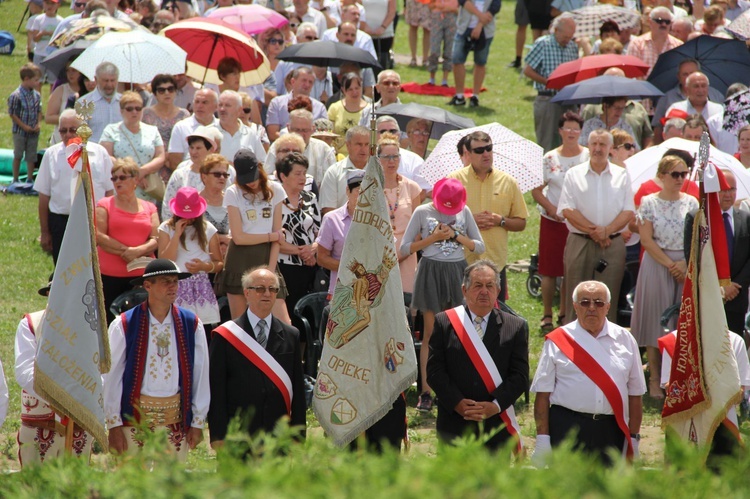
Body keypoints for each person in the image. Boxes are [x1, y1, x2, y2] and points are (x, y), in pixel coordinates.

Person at [104, 258, 210, 460]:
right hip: (134, 422)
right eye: (165, 281)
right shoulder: (124, 324)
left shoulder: (191, 323)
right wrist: (114, 424)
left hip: (175, 421)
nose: (172, 286)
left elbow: (200, 373)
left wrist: (197, 421)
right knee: (134, 486)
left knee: (171, 488)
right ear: (147, 286)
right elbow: (112, 376)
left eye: (175, 281)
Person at [531, 281, 646, 466]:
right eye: (585, 302)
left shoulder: (626, 340)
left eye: (599, 303)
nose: (592, 308)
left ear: (608, 307)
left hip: (611, 430)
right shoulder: (558, 340)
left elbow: (635, 394)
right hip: (568, 427)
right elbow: (542, 394)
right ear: (575, 306)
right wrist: (542, 439)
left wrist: (633, 439)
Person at [400, 178, 485, 412]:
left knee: (459, 333)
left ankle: (454, 390)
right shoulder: (421, 211)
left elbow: (479, 246)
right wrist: (433, 238)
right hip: (430, 270)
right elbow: (405, 248)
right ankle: (426, 392)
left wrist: (455, 235)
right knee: (430, 333)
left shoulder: (464, 212)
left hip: (457, 272)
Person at [427, 259, 528, 451]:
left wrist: (495, 406)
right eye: (478, 285)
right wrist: (457, 403)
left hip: (495, 426)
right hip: (454, 423)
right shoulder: (445, 322)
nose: (484, 291)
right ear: (464, 290)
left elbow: (519, 376)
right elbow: (434, 371)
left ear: (498, 291)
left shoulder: (515, 327)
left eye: (490, 286)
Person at [208, 267, 306, 450]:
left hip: (278, 434)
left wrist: (298, 435)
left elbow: (298, 390)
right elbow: (216, 388)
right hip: (238, 432)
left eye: (272, 289)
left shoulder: (291, 335)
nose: (267, 294)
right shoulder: (226, 336)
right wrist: (217, 434)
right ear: (247, 293)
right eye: (260, 288)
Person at [630, 155, 696, 399]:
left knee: (682, 321)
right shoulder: (649, 202)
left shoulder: (691, 203)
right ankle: (656, 379)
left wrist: (684, 263)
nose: (680, 179)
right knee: (655, 320)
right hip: (658, 264)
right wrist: (671, 265)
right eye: (675, 174)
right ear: (662, 176)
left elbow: (697, 238)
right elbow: (646, 239)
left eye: (684, 174)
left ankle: (679, 376)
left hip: (685, 262)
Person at [557, 129, 634, 324]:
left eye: (602, 145)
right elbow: (567, 210)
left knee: (608, 298)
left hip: (612, 244)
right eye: (594, 144)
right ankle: (573, 345)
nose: (598, 149)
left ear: (610, 148)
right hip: (580, 242)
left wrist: (606, 231)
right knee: (576, 296)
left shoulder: (622, 175)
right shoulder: (574, 174)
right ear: (588, 146)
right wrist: (596, 232)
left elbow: (628, 211)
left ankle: (606, 349)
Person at [15, 277, 91, 466]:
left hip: (79, 423)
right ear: (49, 293)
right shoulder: (31, 323)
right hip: (40, 422)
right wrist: (59, 397)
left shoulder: (90, 327)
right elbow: (24, 372)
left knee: (77, 490)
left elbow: (100, 371)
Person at [448, 130, 528, 302]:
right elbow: (442, 222)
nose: (485, 153)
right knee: (461, 317)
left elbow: (521, 223)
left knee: (495, 320)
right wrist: (469, 222)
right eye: (479, 150)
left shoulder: (508, 182)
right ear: (468, 153)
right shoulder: (453, 181)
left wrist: (501, 221)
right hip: (462, 262)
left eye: (489, 148)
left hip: (495, 264)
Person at [531, 112, 589, 332]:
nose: (571, 133)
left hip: (577, 222)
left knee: (569, 269)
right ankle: (547, 314)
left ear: (581, 132)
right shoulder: (549, 159)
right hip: (553, 221)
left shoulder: (588, 156)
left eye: (576, 129)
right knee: (549, 270)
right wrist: (552, 209)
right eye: (567, 128)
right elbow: (536, 190)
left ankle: (565, 314)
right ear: (560, 131)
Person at [34, 109, 114, 264]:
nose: (68, 135)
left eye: (73, 130)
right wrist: (45, 232)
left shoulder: (99, 153)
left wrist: (110, 224)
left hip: (94, 220)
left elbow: (109, 190)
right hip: (62, 221)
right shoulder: (51, 155)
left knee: (94, 266)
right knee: (64, 268)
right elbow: (44, 196)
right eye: (63, 131)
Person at [219, 149, 290, 321]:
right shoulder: (233, 192)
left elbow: (277, 237)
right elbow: (239, 237)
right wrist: (271, 236)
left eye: (252, 177)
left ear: (259, 168)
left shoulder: (276, 190)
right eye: (245, 179)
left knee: (283, 322)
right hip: (239, 260)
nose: (250, 183)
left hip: (267, 257)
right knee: (241, 324)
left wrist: (271, 272)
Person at [685, 170, 750, 335]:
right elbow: (692, 256)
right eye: (723, 190)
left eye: (732, 189)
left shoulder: (745, 218)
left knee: (734, 345)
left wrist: (734, 286)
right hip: (708, 295)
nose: (728, 195)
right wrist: (720, 286)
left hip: (737, 296)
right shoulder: (698, 218)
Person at [96, 158, 159, 323]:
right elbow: (99, 236)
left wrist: (137, 251)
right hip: (110, 276)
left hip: (141, 276)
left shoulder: (149, 207)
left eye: (122, 177)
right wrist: (127, 251)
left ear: (135, 180)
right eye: (114, 178)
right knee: (109, 322)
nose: (117, 181)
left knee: (142, 322)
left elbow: (156, 238)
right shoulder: (104, 204)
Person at [158, 187, 223, 325]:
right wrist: (176, 235)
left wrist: (204, 266)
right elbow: (165, 261)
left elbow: (219, 264)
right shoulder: (166, 228)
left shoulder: (208, 229)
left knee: (202, 328)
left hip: (200, 286)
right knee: (176, 327)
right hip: (174, 284)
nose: (188, 218)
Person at [276, 153, 321, 334]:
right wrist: (301, 252)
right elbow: (273, 237)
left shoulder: (310, 197)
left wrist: (313, 250)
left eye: (304, 173)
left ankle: (307, 360)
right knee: (289, 320)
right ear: (283, 176)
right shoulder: (272, 199)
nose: (302, 178)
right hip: (284, 267)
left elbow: (320, 231)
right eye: (297, 173)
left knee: (307, 321)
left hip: (310, 266)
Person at [523, 16, 579, 152]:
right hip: (548, 98)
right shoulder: (543, 44)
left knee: (568, 142)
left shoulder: (572, 47)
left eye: (570, 37)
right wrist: (549, 83)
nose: (567, 40)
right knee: (546, 142)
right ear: (555, 30)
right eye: (565, 37)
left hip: (567, 100)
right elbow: (528, 71)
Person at [100, 90, 166, 204]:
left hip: (146, 188)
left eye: (138, 108)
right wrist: (132, 176)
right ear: (121, 111)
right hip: (121, 186)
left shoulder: (152, 130)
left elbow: (160, 156)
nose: (134, 112)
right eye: (129, 109)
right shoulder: (110, 130)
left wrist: (143, 172)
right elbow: (107, 156)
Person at [379, 134, 422, 294]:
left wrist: (403, 253)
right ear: (378, 159)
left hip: (407, 254)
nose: (392, 161)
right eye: (387, 157)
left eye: (395, 156)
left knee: (406, 301)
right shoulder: (371, 187)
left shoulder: (412, 187)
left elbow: (418, 228)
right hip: (380, 256)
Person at [162, 127, 235, 220]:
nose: (193, 152)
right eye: (191, 148)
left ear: (211, 149)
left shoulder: (227, 172)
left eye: (198, 148)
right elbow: (168, 206)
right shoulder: (180, 174)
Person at [651, 60, 724, 143]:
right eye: (696, 86)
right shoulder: (676, 109)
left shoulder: (719, 109)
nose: (700, 90)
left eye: (703, 86)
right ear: (687, 89)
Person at [317, 169, 363, 300]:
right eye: (359, 191)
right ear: (348, 191)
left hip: (371, 293)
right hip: (341, 291)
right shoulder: (332, 219)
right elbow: (321, 258)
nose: (363, 197)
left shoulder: (378, 220)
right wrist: (351, 269)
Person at [447, 0, 501, 108]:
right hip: (463, 28)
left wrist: (480, 25)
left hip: (486, 30)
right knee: (457, 60)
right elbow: (463, 1)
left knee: (480, 62)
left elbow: (495, 6)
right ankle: (459, 96)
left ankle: (475, 96)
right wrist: (480, 16)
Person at [265, 109, 336, 185]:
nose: (301, 134)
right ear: (288, 128)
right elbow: (268, 176)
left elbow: (332, 181)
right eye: (297, 130)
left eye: (305, 130)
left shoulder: (324, 150)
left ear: (313, 129)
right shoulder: (278, 146)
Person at [266, 67, 328, 142]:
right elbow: (272, 134)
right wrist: (295, 142)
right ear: (293, 81)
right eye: (304, 80)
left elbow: (325, 135)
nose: (307, 84)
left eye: (310, 82)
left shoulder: (320, 108)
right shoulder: (277, 103)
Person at [319, 126, 370, 214]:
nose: (363, 149)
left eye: (367, 144)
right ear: (348, 145)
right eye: (359, 144)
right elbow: (328, 210)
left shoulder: (378, 172)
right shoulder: (334, 172)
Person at [168, 89, 219, 169]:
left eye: (205, 102)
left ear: (216, 106)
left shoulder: (222, 127)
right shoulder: (181, 127)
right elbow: (175, 162)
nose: (199, 106)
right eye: (197, 102)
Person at [8, 63, 42, 184]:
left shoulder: (36, 95)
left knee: (31, 156)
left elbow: (39, 111)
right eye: (36, 80)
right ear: (27, 79)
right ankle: (15, 179)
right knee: (18, 155)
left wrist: (38, 124)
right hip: (20, 132)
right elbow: (12, 114)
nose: (38, 83)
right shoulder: (16, 95)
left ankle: (29, 179)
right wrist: (24, 126)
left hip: (33, 132)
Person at [142, 73, 190, 158]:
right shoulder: (145, 114)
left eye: (170, 89)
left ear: (175, 91)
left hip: (177, 162)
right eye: (161, 90)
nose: (167, 93)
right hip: (152, 161)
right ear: (155, 94)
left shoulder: (184, 115)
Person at [215, 90, 268, 165]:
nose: (222, 109)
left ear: (239, 110)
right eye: (220, 105)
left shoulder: (251, 134)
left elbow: (262, 163)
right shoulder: (209, 132)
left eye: (227, 105)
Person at [76, 61, 122, 143]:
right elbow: (79, 134)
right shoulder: (84, 103)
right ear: (96, 79)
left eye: (112, 80)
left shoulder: (124, 103)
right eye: (105, 81)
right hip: (94, 151)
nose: (109, 85)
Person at [326, 72, 369, 156]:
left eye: (357, 88)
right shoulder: (334, 108)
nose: (354, 92)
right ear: (343, 90)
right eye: (350, 89)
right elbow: (329, 135)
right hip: (338, 156)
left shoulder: (369, 110)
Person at [45, 61, 87, 145]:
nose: (70, 74)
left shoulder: (88, 91)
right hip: (62, 138)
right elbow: (48, 118)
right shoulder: (60, 90)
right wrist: (69, 117)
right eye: (68, 70)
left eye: (74, 70)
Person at [199, 154, 232, 260]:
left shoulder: (232, 201)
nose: (222, 178)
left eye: (225, 175)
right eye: (217, 174)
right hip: (201, 262)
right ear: (204, 177)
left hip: (228, 260)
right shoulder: (195, 202)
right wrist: (222, 238)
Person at [426, 0, 458, 86]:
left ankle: (445, 80)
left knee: (449, 49)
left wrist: (449, 7)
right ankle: (432, 78)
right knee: (434, 49)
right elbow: (430, 4)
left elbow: (460, 6)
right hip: (437, 17)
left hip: (452, 17)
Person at [360, 0, 397, 72]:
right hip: (365, 32)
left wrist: (383, 27)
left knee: (383, 61)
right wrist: (365, 26)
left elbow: (392, 12)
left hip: (385, 34)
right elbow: (357, 8)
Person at [31, 0, 62, 83]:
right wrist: (42, 33)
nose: (49, 6)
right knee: (37, 80)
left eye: (52, 4)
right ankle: (37, 96)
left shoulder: (60, 21)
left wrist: (54, 35)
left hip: (54, 55)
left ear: (58, 5)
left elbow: (62, 41)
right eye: (47, 3)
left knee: (53, 81)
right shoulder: (38, 19)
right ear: (43, 4)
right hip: (39, 53)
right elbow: (35, 38)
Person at [405, 0, 431, 67]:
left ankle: (425, 59)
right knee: (413, 26)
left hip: (428, 2)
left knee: (427, 28)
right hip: (414, 2)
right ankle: (413, 58)